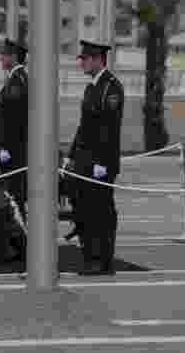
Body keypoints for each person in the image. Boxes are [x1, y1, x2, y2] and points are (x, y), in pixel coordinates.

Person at [64, 39, 124, 275]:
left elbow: (108, 129)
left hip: (101, 163)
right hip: (84, 160)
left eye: (86, 59)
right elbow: (84, 126)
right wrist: (71, 155)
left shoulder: (111, 88)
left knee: (101, 212)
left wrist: (101, 162)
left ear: (99, 60)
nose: (82, 62)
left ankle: (102, 260)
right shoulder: (92, 87)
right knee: (85, 210)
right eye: (82, 58)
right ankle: (90, 255)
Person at [0, 38, 29, 261]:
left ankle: (23, 246)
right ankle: (19, 245)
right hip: (13, 151)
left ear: (14, 57)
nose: (1, 58)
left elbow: (14, 119)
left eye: (5, 54)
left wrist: (6, 147)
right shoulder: (15, 79)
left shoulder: (18, 81)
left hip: (15, 153)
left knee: (15, 198)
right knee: (13, 197)